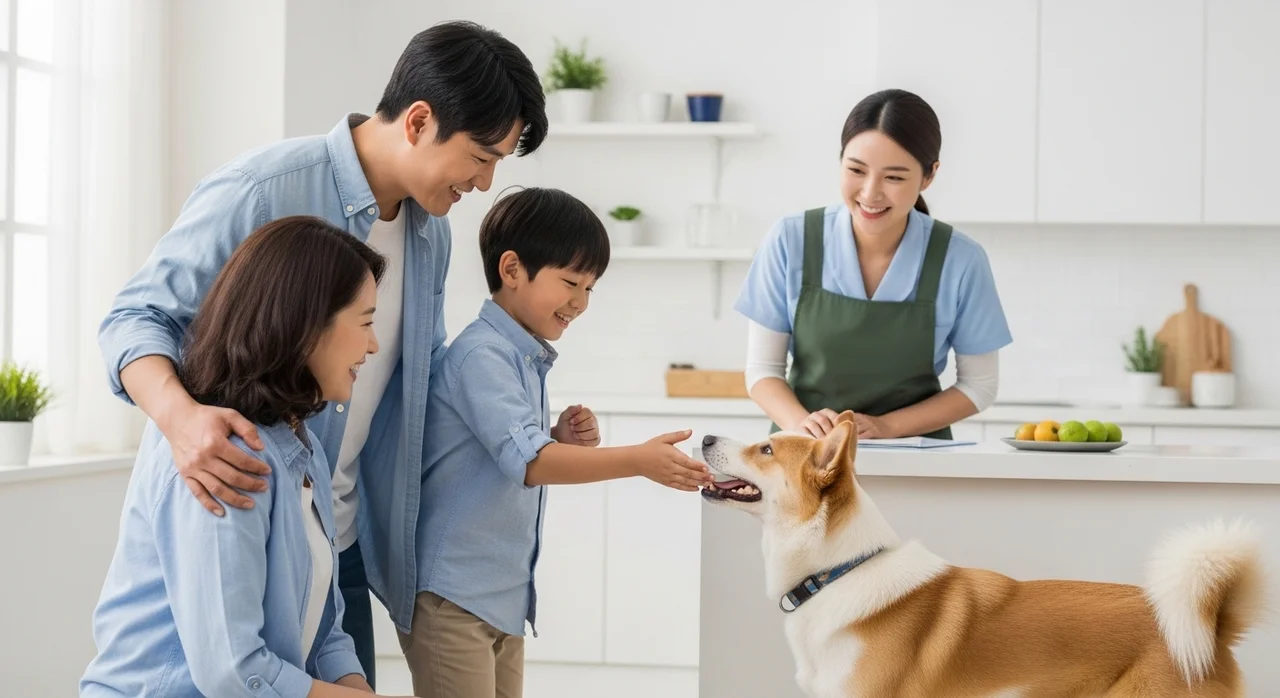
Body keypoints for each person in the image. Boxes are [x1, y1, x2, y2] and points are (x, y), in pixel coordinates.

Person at [96, 21, 547, 686]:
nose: (483, 184)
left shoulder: (431, 238)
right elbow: (134, 318)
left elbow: (424, 383)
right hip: (238, 499)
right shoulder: (263, 190)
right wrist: (181, 420)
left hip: (337, 533)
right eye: (481, 157)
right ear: (420, 121)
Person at [397, 187, 715, 698]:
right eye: (571, 282)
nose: (581, 303)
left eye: (590, 288)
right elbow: (529, 464)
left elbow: (505, 451)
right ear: (512, 269)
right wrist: (638, 460)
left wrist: (554, 437)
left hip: (497, 597)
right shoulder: (483, 355)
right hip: (453, 597)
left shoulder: (521, 355)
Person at [81, 216, 415, 698]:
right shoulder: (228, 456)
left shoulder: (303, 446)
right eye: (364, 323)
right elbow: (233, 671)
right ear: (306, 326)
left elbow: (327, 632)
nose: (373, 344)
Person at [735, 89, 1012, 440]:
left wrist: (886, 427)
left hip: (918, 463)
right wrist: (800, 423)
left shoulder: (960, 259)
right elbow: (762, 370)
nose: (870, 193)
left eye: (894, 177)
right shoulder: (791, 240)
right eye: (856, 170)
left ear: (929, 176)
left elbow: (979, 385)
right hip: (805, 457)